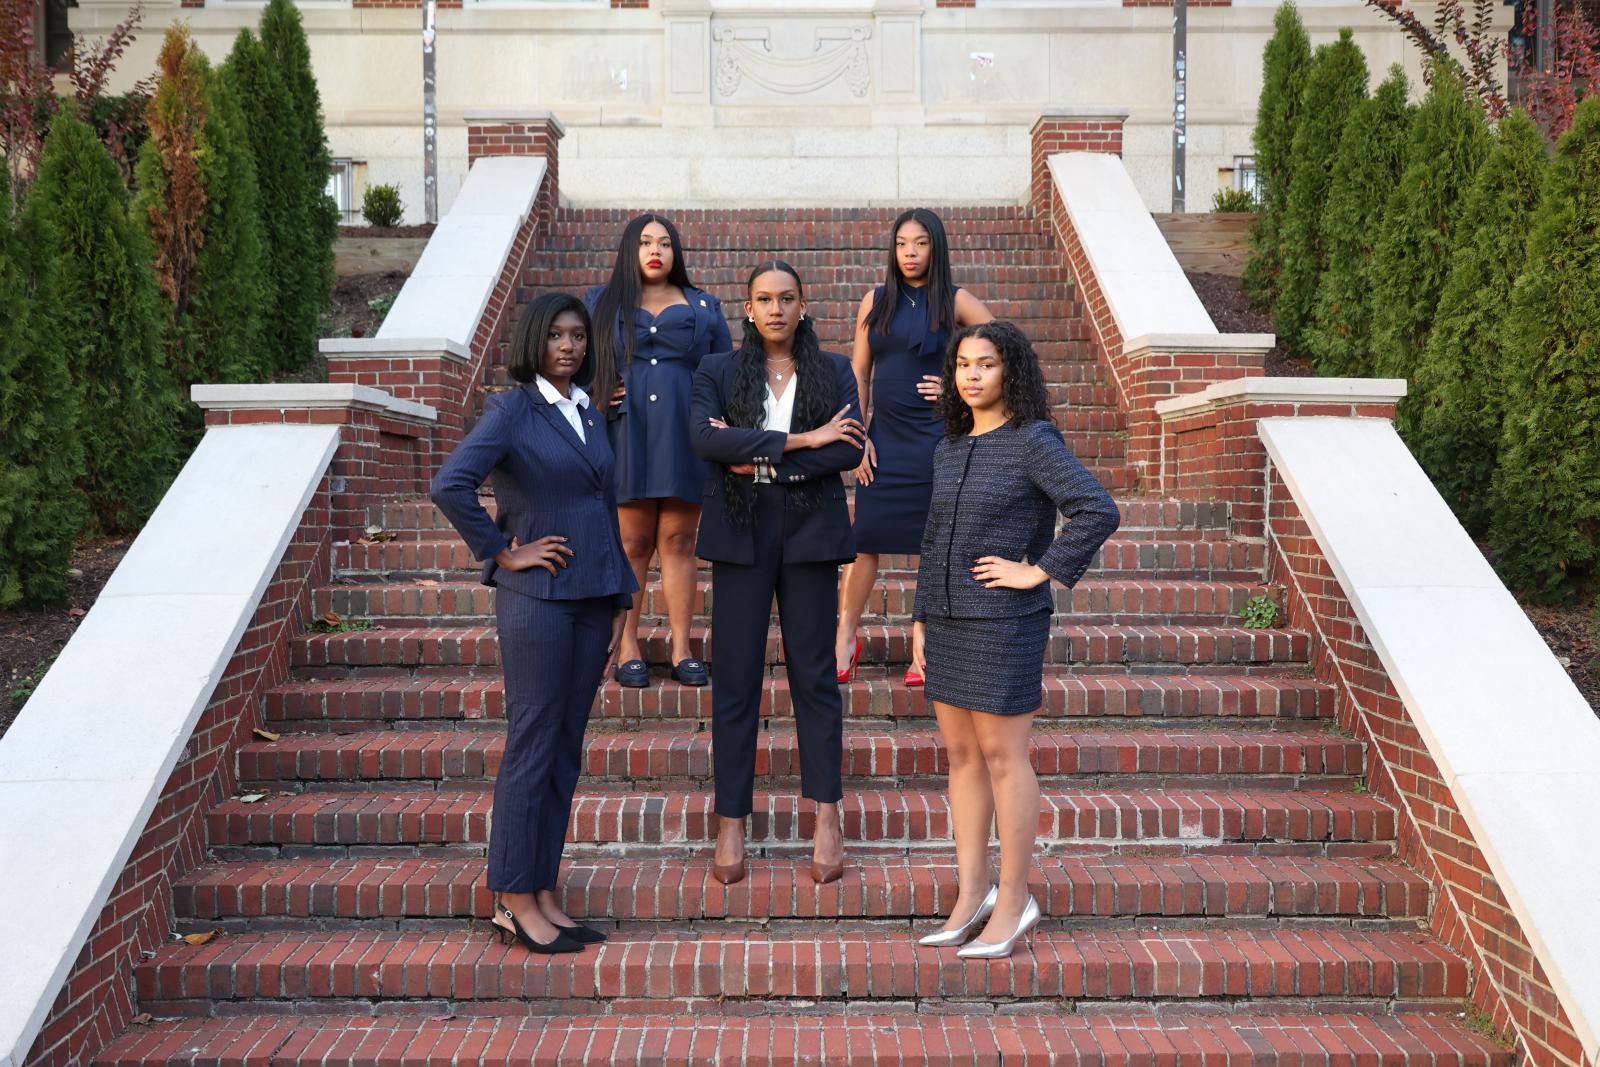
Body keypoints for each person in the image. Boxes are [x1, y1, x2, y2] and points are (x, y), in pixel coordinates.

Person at [430, 292, 638, 955]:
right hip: (538, 600)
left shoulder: (589, 411)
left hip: (592, 598)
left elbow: (603, 505)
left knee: (565, 748)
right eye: (556, 335)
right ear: (533, 343)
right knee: (533, 742)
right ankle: (513, 897)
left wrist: (622, 596)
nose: (570, 346)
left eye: (578, 335)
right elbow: (450, 484)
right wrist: (501, 550)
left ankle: (543, 888)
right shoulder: (513, 408)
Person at [909, 320, 1120, 959]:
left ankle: (1013, 897)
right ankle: (970, 894)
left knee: (1004, 758)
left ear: (1011, 372)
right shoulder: (948, 446)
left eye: (987, 364)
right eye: (964, 364)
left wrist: (1040, 570)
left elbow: (1096, 507)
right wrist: (919, 617)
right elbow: (932, 535)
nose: (972, 375)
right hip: (945, 621)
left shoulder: (1033, 440)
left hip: (1006, 623)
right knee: (963, 759)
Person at [690, 260, 867, 886]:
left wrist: (760, 456)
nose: (775, 309)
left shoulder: (835, 369)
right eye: (763, 299)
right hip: (741, 535)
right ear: (746, 307)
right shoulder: (717, 370)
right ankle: (732, 819)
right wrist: (803, 440)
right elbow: (706, 442)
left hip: (811, 537)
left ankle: (826, 816)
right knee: (735, 680)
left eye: (786, 298)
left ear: (803, 305)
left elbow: (850, 446)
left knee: (814, 678)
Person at [835, 208, 993, 685]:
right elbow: (859, 373)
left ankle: (924, 646)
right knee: (862, 541)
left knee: (934, 544)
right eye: (902, 243)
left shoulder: (956, 301)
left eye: (920, 243)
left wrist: (956, 385)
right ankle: (845, 636)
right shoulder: (875, 301)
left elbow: (1003, 350)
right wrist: (857, 440)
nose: (909, 252)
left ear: (935, 247)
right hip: (884, 442)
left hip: (938, 441)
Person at [586, 213, 732, 690]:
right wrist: (593, 392)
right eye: (646, 242)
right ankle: (627, 646)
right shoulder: (600, 304)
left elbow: (727, 370)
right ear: (630, 251)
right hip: (624, 431)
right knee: (631, 543)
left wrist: (722, 423)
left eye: (665, 243)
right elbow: (571, 361)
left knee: (679, 542)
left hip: (683, 433)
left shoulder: (704, 305)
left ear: (676, 253)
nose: (656, 250)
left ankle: (681, 648)